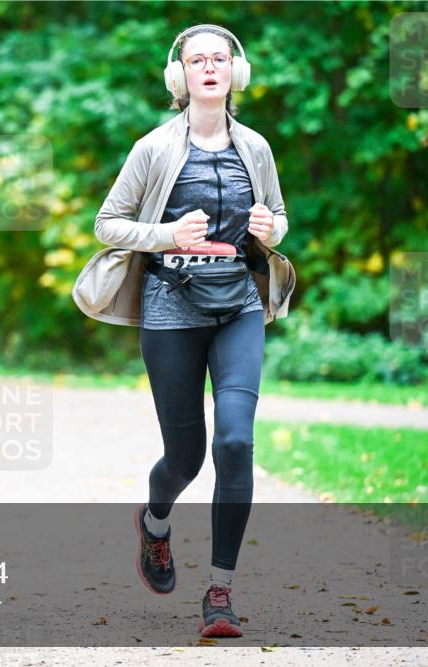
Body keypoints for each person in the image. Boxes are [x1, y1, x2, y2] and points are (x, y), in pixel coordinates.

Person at [90, 25, 292, 638]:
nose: (209, 68)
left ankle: (220, 591)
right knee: (187, 456)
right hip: (170, 307)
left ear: (236, 71)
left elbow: (279, 219)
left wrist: (269, 228)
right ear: (181, 76)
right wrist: (166, 235)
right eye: (197, 60)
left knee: (235, 443)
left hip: (237, 307)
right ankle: (154, 525)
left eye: (220, 59)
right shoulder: (152, 148)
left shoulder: (254, 147)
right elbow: (107, 224)